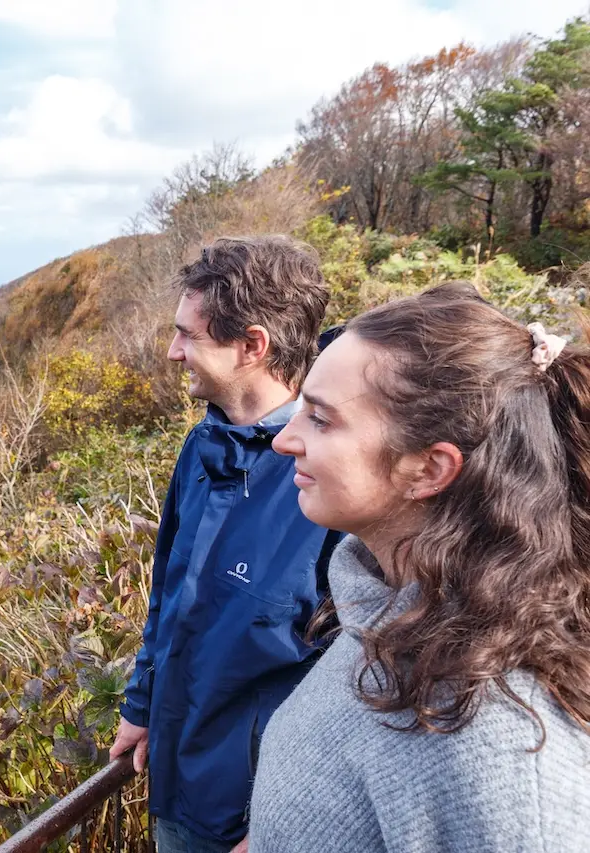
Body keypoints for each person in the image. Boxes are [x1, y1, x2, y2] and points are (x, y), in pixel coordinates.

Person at [251, 289, 590, 851]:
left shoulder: (500, 749)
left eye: (321, 419)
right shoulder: (393, 603)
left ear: (428, 469)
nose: (285, 440)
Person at [109, 236, 342, 852]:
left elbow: (362, 676)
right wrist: (141, 708)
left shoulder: (335, 478)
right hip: (176, 783)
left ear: (252, 346)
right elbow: (168, 600)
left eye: (188, 335)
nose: (171, 351)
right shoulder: (202, 448)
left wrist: (287, 820)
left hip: (255, 821)